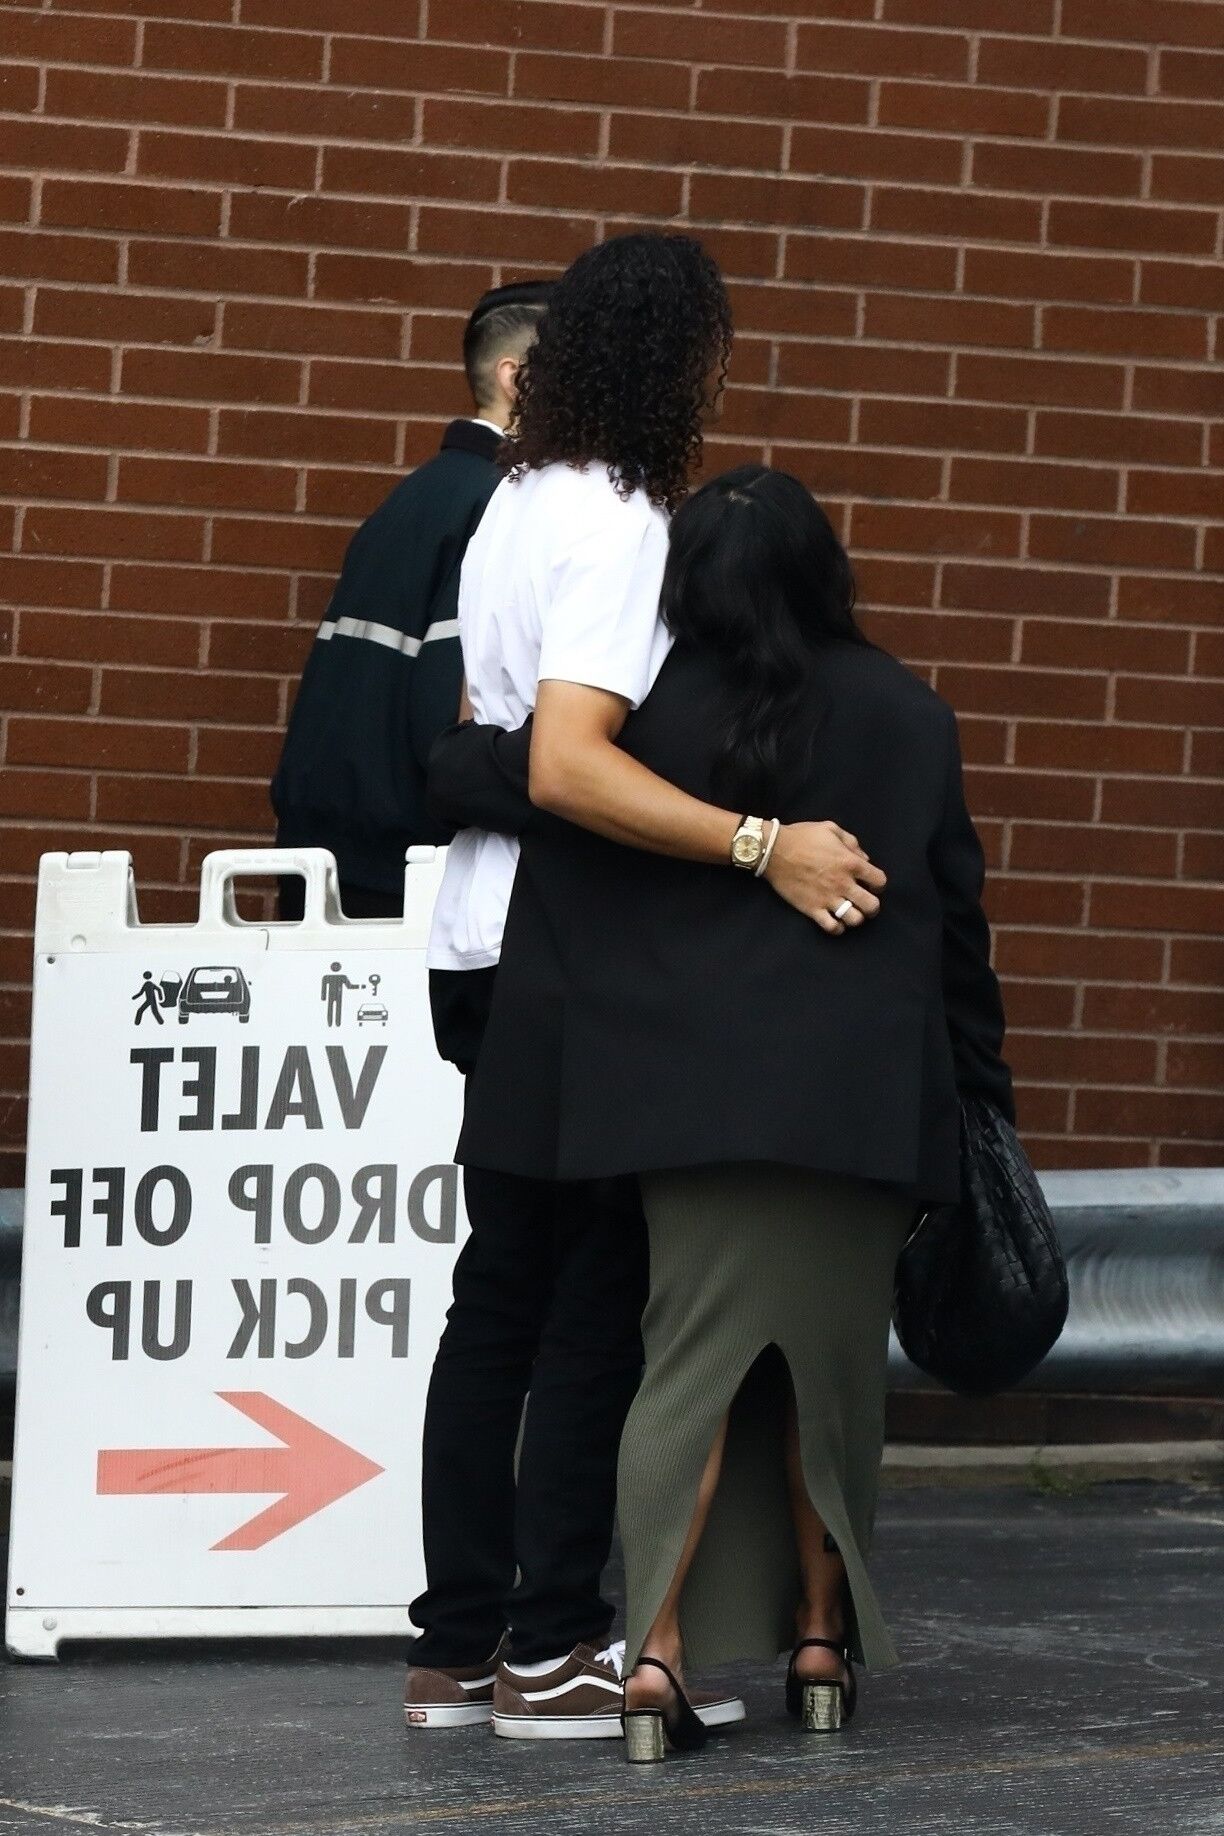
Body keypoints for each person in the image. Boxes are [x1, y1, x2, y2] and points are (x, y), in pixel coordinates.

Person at [438, 465, 1014, 1761]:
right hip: (856, 1117)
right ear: (827, 573)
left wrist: (460, 750)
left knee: (683, 1377)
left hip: (676, 1116)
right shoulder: (911, 714)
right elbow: (956, 933)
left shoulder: (645, 725)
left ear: (681, 582)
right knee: (830, 1384)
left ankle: (652, 1661)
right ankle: (820, 1645)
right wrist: (980, 1101)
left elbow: (546, 829)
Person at [407, 236, 885, 1745]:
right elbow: (567, 760)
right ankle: (552, 1649)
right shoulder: (618, 523)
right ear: (680, 367)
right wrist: (763, 845)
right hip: (571, 959)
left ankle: (459, 1649)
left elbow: (488, 739)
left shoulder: (512, 505)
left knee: (499, 1301)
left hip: (487, 943)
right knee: (591, 1304)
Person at [269, 280, 552, 921]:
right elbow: (456, 724)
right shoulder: (498, 507)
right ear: (518, 380)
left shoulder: (413, 496)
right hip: (407, 881)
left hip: (330, 860)